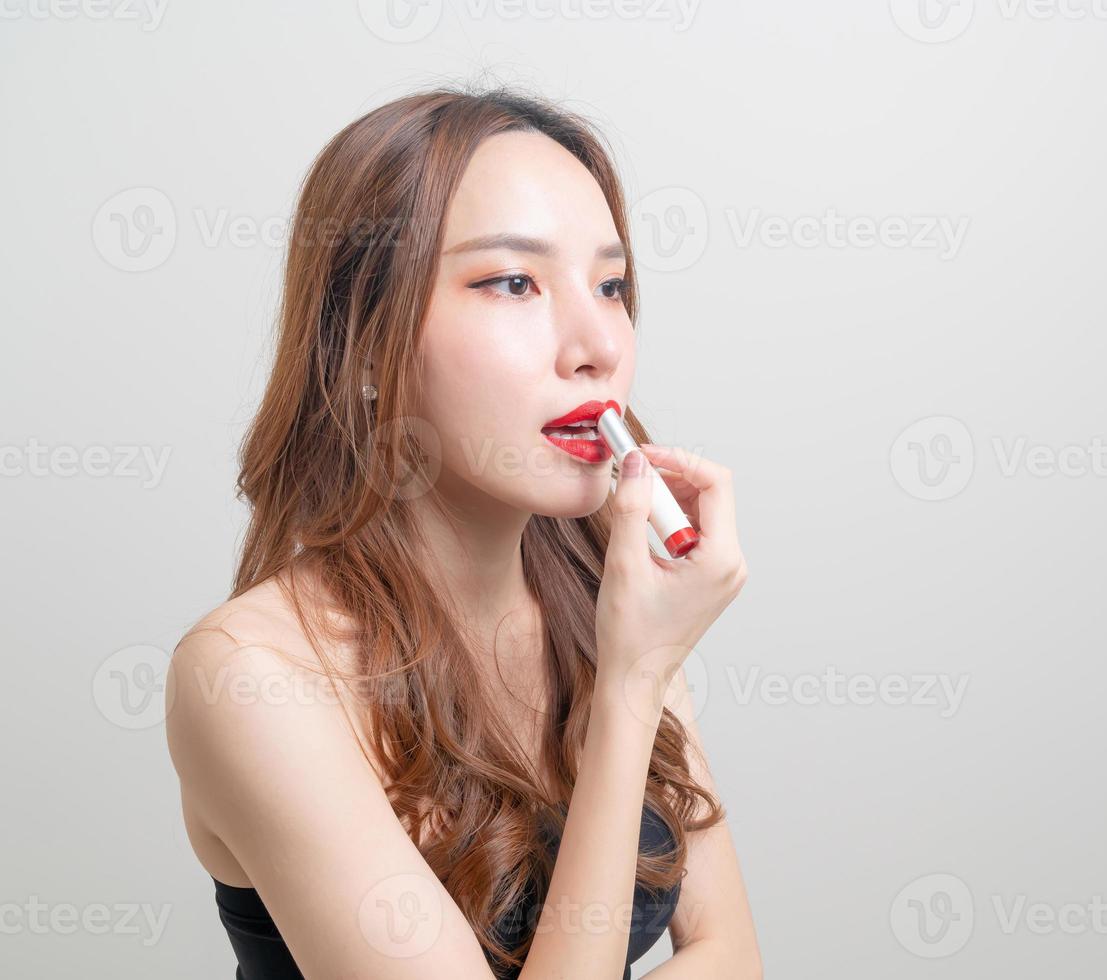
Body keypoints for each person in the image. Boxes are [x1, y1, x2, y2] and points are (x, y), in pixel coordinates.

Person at [164, 85, 760, 979]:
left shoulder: (611, 591)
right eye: (513, 282)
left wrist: (632, 661)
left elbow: (730, 953)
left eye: (612, 284)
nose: (595, 343)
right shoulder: (252, 677)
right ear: (366, 347)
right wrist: (633, 682)